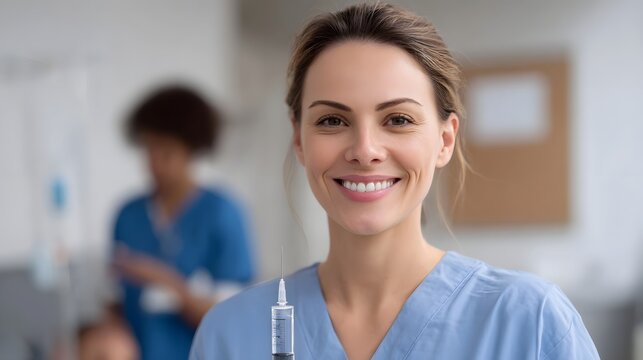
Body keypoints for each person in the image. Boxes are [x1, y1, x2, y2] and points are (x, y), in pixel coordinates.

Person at [190, 3, 599, 359]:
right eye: (332, 120)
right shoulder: (229, 334)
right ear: (299, 139)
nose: (365, 149)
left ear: (444, 140)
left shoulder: (530, 324)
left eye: (398, 120)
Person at [111, 85, 255, 360]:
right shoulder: (127, 216)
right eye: (149, 150)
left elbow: (233, 320)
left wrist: (166, 281)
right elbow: (115, 305)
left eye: (166, 152)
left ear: (192, 152)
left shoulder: (222, 214)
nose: (155, 164)